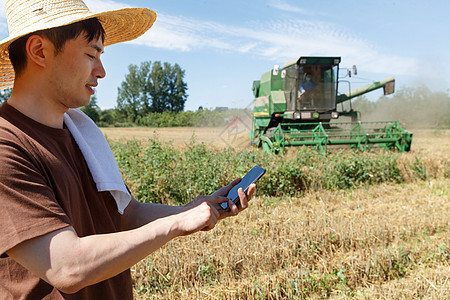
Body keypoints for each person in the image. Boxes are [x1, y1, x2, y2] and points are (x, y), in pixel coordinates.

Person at [0, 1, 256, 299]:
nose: (102, 71)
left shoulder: (80, 132)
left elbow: (124, 215)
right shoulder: (7, 147)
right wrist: (176, 223)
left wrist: (192, 210)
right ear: (39, 51)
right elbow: (66, 267)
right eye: (90, 54)